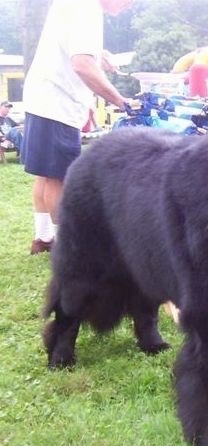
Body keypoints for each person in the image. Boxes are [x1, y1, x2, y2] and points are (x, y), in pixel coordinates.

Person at [21, 0, 133, 255]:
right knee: (60, 177)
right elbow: (81, 64)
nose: (130, 6)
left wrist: (99, 54)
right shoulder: (86, 9)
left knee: (45, 174)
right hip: (57, 102)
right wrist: (119, 99)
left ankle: (43, 238)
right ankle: (67, 249)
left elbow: (73, 47)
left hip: (43, 97)